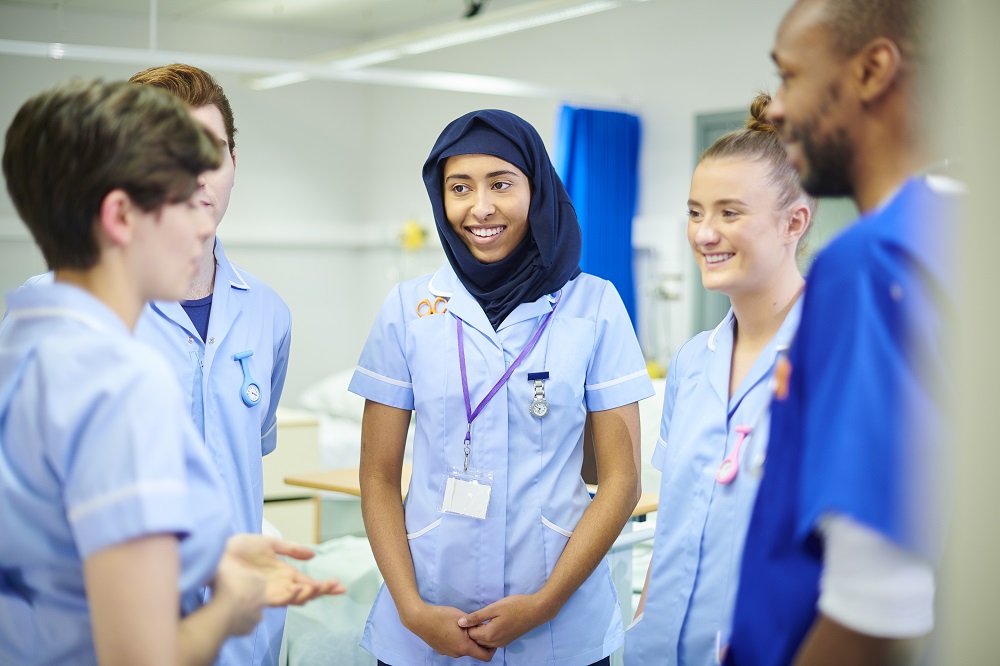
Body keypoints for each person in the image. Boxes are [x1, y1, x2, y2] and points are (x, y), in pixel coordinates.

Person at [0, 78, 342, 665]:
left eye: (207, 153)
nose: (195, 184)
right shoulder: (72, 344)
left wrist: (222, 565)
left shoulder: (267, 313)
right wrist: (226, 603)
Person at [349, 109, 654, 665]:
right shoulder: (409, 309)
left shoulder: (593, 306)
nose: (480, 207)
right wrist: (412, 610)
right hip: (424, 620)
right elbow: (376, 474)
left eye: (501, 184)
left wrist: (544, 603)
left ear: (535, 190)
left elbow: (621, 481)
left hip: (559, 628)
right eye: (459, 187)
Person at [725, 0, 958, 664]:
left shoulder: (866, 264)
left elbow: (876, 606)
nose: (774, 107)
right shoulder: (956, 233)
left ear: (872, 70)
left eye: (791, 76)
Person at [624, 92, 814, 666]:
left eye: (729, 213)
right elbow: (676, 517)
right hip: (660, 648)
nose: (705, 233)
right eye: (695, 212)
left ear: (793, 222)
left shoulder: (831, 359)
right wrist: (645, 627)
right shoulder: (691, 363)